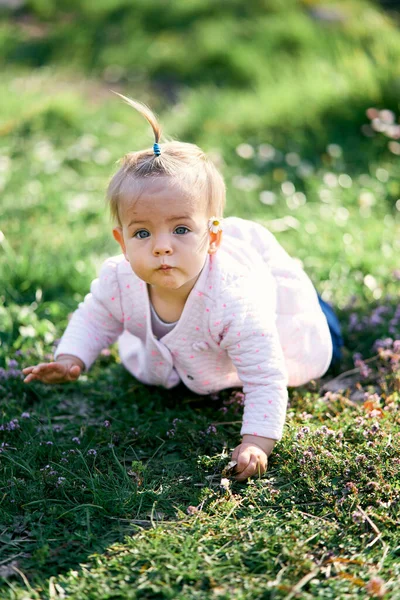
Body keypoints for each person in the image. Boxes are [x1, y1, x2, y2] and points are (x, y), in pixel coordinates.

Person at [23, 95, 344, 481]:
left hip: (274, 317)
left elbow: (264, 376)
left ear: (211, 238)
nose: (161, 245)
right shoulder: (118, 280)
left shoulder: (233, 300)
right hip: (198, 352)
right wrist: (72, 357)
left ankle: (318, 303)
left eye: (180, 229)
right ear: (122, 242)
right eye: (142, 232)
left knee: (321, 329)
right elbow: (96, 315)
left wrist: (257, 442)